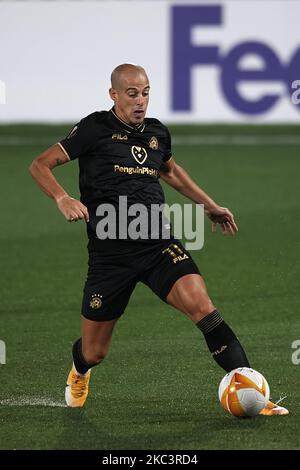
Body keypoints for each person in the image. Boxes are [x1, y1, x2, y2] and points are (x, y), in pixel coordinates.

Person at [29, 63, 288, 416]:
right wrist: (62, 198)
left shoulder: (156, 133)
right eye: (132, 93)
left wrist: (208, 205)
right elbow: (40, 164)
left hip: (157, 244)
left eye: (146, 92)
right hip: (111, 255)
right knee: (94, 351)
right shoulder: (94, 128)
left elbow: (170, 171)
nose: (140, 101)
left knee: (203, 307)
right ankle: (80, 370)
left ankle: (252, 391)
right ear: (114, 95)